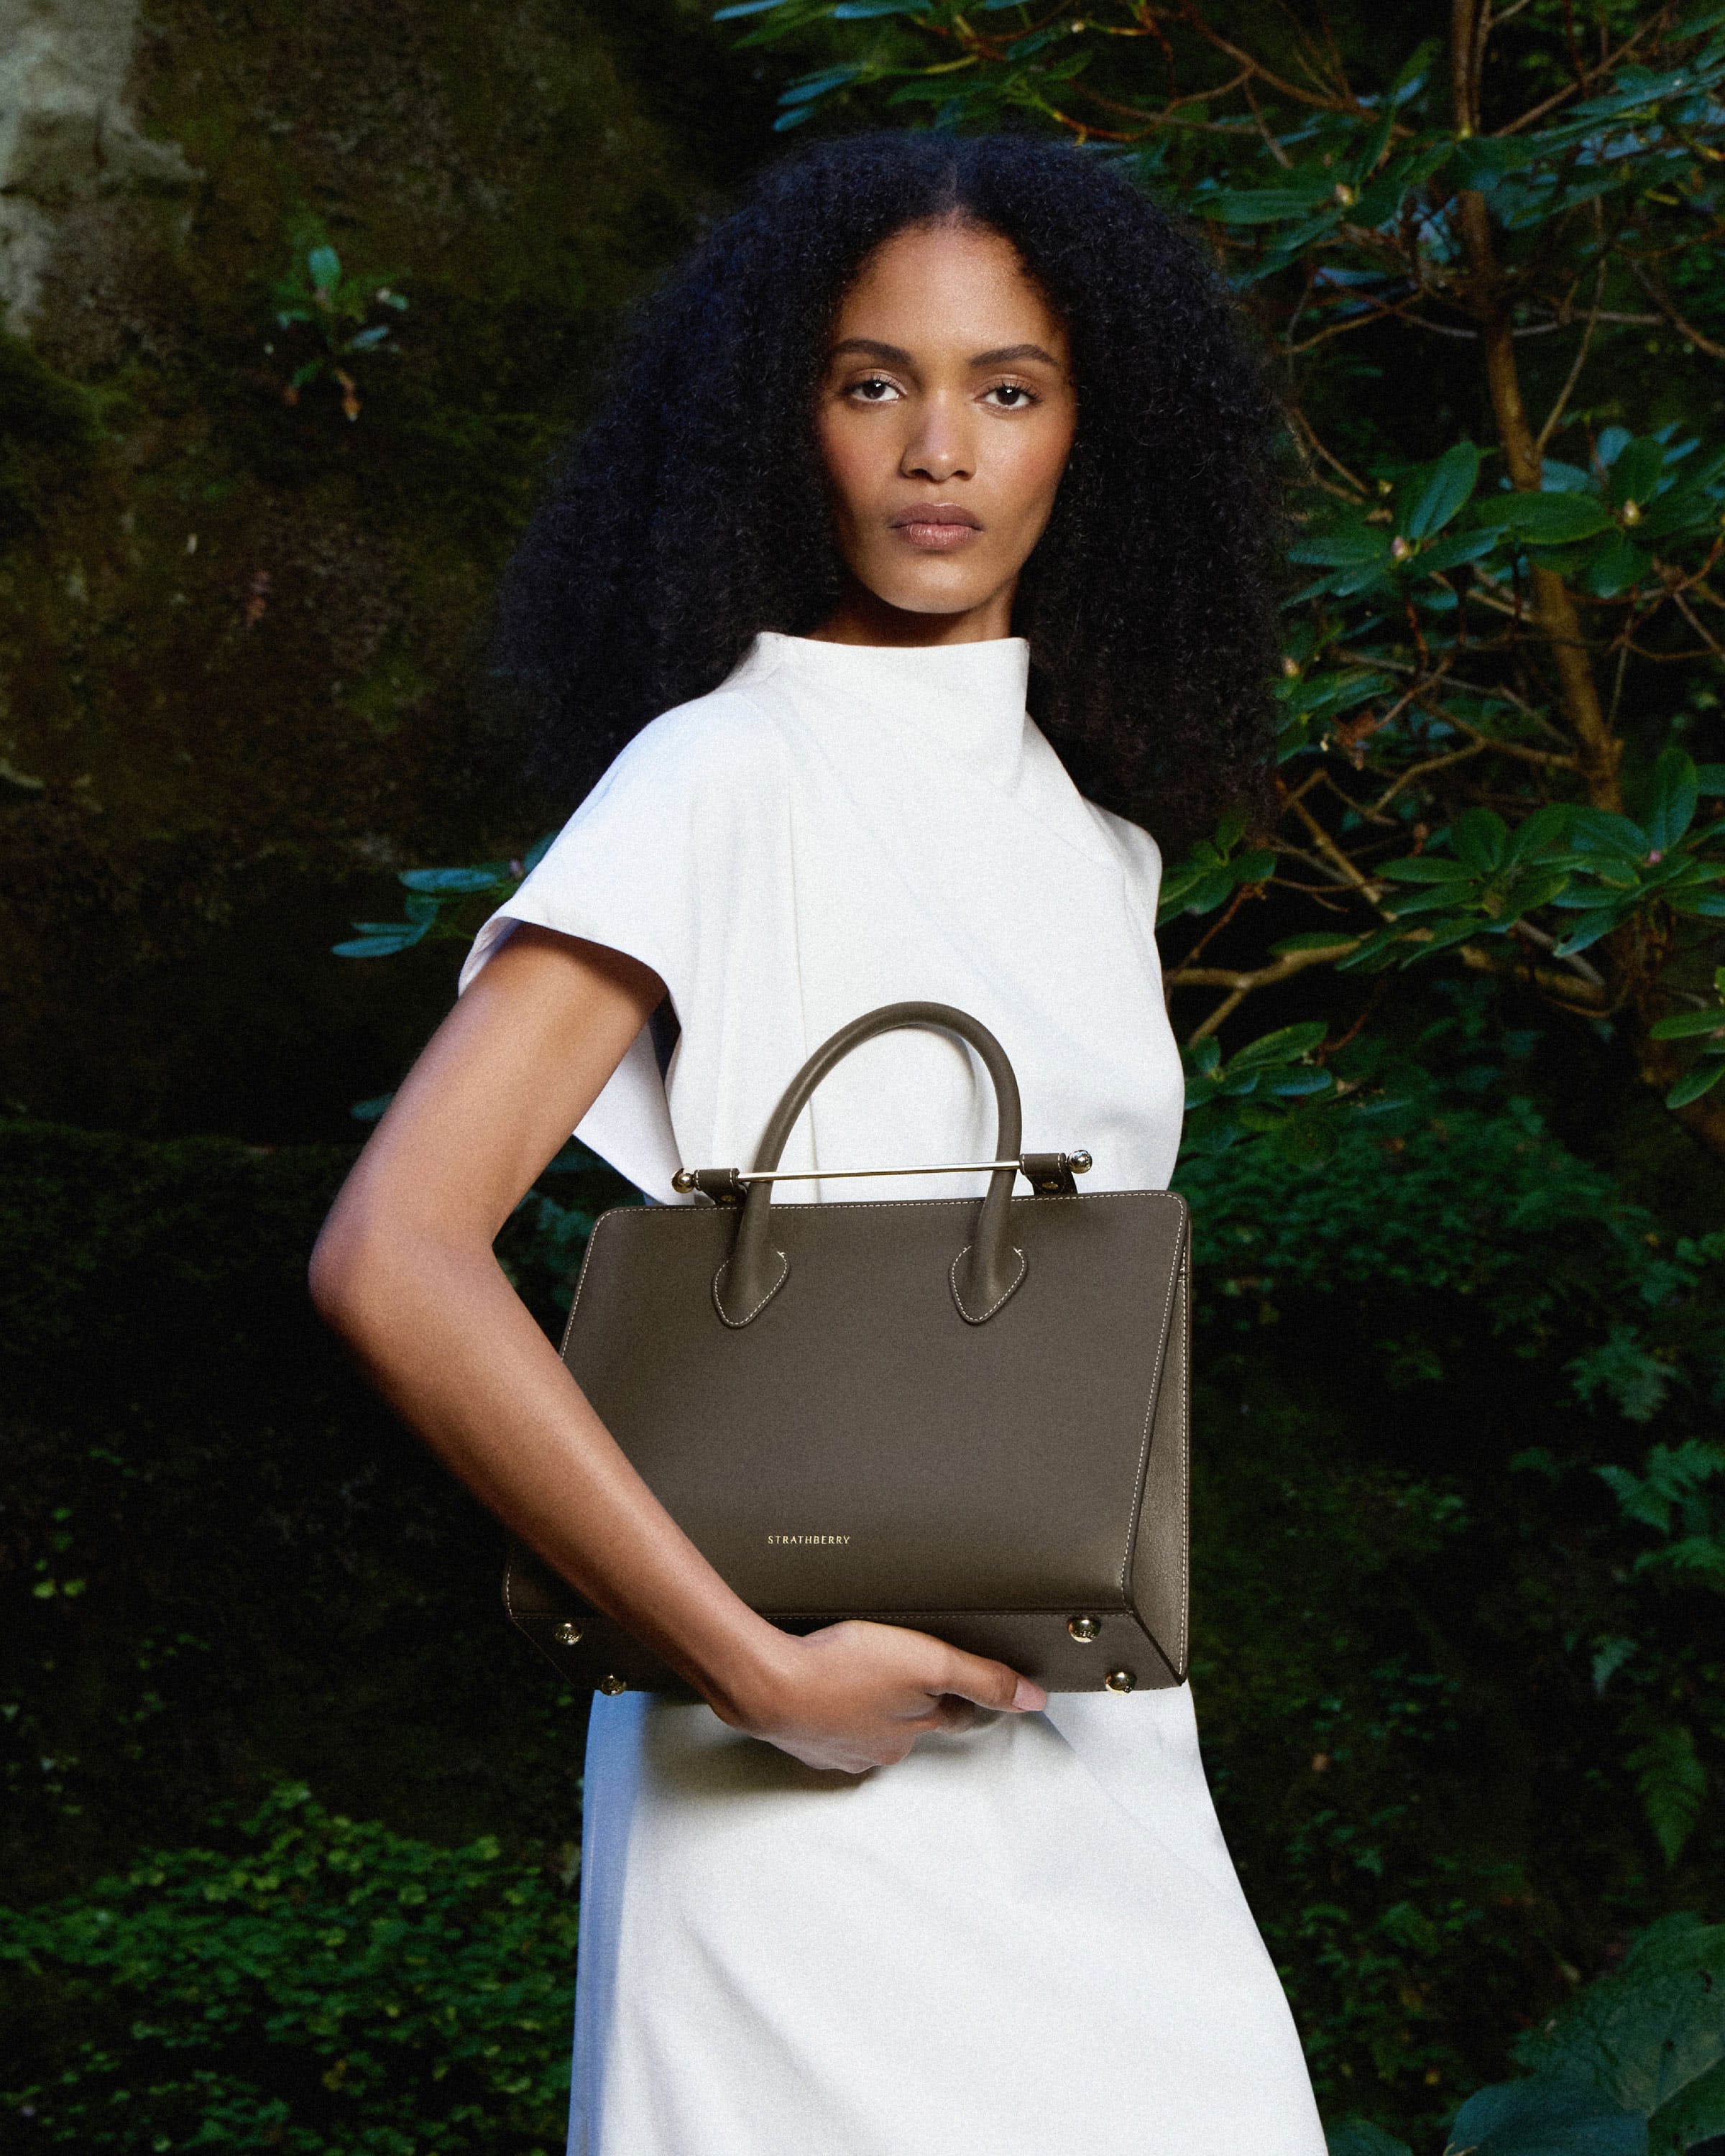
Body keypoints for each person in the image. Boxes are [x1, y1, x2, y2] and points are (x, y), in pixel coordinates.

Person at [311, 133, 1325, 2156]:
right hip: (784, 1783)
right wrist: (750, 1670)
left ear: (1089, 433)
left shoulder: (1098, 846)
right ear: (790, 414)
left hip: (1095, 1749)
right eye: (875, 381)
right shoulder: (717, 771)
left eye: (1007, 388)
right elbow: (394, 1251)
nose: (938, 448)